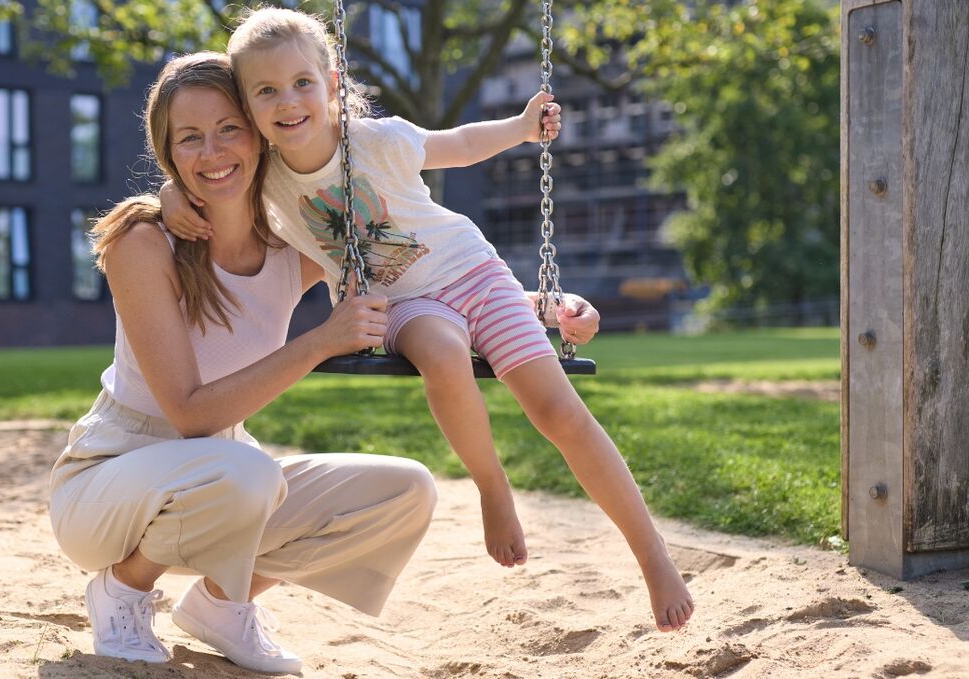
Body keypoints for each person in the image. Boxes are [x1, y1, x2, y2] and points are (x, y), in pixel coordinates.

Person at [159, 7, 694, 633]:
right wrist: (173, 194)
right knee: (442, 351)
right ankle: (493, 487)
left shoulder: (378, 141)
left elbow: (460, 146)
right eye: (266, 91)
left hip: (473, 272)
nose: (289, 101)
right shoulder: (263, 178)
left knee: (559, 411)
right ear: (248, 108)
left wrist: (522, 128)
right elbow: (207, 176)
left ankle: (653, 556)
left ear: (333, 84)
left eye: (303, 82)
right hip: (398, 305)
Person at [48, 52, 443, 675]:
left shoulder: (294, 247)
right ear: (169, 154)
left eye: (229, 128)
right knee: (248, 471)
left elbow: (421, 269)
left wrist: (539, 308)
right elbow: (188, 413)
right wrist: (319, 341)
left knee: (405, 490)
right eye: (190, 138)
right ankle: (122, 589)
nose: (213, 151)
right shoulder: (144, 243)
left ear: (260, 136)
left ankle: (222, 603)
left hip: (226, 484)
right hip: (108, 488)